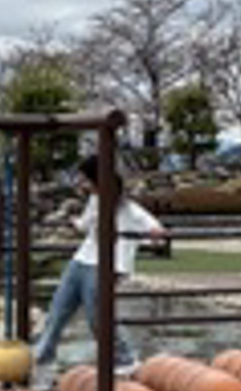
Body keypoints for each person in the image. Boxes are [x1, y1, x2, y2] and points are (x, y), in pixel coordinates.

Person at [31, 156, 165, 374]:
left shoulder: (126, 207)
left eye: (84, 179)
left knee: (98, 316)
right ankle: (43, 359)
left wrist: (151, 235)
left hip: (107, 265)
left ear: (97, 179)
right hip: (82, 259)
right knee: (58, 309)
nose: (81, 184)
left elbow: (154, 229)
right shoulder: (94, 200)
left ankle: (125, 358)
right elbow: (86, 225)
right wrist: (72, 221)